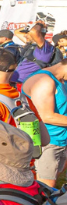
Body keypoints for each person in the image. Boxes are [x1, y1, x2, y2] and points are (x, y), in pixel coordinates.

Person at [21, 58, 67, 187]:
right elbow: (46, 116)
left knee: (50, 184)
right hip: (48, 143)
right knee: (44, 188)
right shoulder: (44, 81)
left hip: (60, 141)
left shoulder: (61, 80)